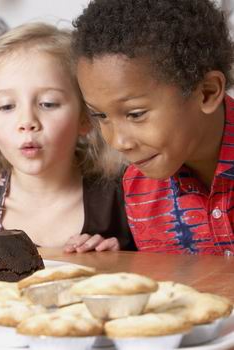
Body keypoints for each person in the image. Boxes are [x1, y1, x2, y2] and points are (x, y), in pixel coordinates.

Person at [0, 23, 136, 253]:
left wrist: (122, 261)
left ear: (85, 117)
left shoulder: (123, 200)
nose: (27, 121)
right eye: (6, 106)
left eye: (48, 104)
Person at [72, 0, 234, 255]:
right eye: (100, 115)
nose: (118, 142)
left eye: (135, 114)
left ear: (206, 92)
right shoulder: (138, 189)